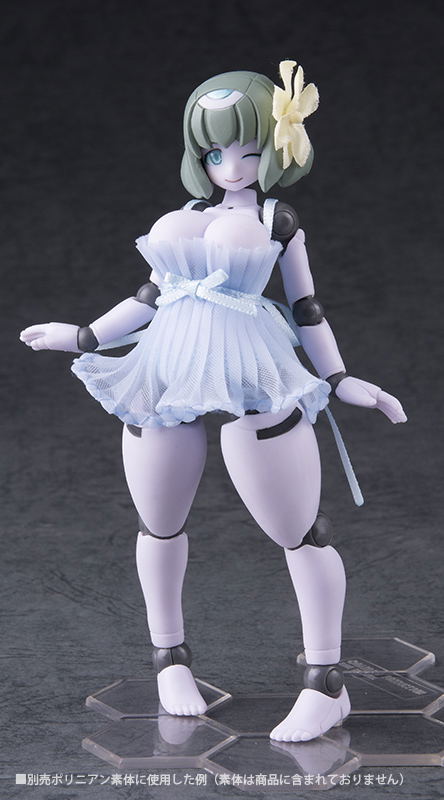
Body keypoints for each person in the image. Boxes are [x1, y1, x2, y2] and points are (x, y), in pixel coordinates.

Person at [20, 61, 406, 742]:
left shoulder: (277, 218)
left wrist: (342, 378)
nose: (231, 166)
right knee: (158, 522)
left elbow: (307, 307)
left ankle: (326, 682)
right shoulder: (190, 216)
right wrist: (82, 335)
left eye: (249, 151)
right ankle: (169, 659)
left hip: (254, 369)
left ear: (277, 149)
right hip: (164, 369)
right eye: (215, 152)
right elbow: (149, 295)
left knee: (299, 529)